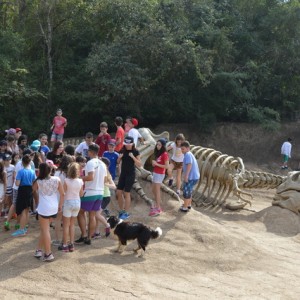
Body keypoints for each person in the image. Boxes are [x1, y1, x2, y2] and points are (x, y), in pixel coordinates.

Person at [75, 144, 107, 245]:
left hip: (90, 191)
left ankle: (84, 235)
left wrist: (79, 178)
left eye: (88, 151)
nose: (87, 152)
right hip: (100, 192)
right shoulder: (103, 163)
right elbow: (105, 179)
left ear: (91, 152)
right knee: (92, 215)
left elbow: (90, 177)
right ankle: (89, 237)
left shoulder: (90, 162)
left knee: (80, 212)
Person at [33, 163, 64, 262]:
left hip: (44, 208)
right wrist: (60, 205)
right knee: (44, 229)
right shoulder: (57, 179)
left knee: (45, 230)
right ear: (50, 170)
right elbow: (62, 194)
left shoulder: (38, 181)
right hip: (54, 207)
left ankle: (48, 253)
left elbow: (33, 190)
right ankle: (38, 250)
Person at [60, 162, 83, 252]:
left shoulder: (66, 180)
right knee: (72, 225)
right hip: (77, 202)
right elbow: (81, 194)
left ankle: (65, 245)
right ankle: (72, 244)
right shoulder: (80, 181)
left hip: (68, 202)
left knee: (66, 225)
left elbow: (63, 193)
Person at [116, 136, 141, 220]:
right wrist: (119, 158)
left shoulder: (135, 151)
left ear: (132, 144)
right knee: (119, 192)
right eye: (126, 144)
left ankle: (126, 212)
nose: (127, 146)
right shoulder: (123, 150)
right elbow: (118, 162)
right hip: (123, 174)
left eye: (128, 144)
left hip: (131, 174)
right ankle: (121, 210)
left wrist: (133, 157)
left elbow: (139, 164)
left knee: (127, 193)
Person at [11, 154, 36, 236]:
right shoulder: (32, 172)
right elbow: (34, 182)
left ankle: (21, 230)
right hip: (29, 191)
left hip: (22, 190)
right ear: (29, 162)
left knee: (22, 211)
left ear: (22, 162)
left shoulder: (21, 172)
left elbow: (17, 183)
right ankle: (24, 227)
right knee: (26, 210)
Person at [93, 157, 114, 239]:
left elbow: (114, 186)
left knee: (96, 214)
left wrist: (105, 184)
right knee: (96, 214)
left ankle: (107, 225)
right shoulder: (98, 172)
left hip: (105, 196)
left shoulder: (107, 173)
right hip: (99, 195)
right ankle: (97, 232)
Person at [149, 139, 169, 217]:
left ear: (163, 146)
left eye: (159, 145)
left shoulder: (165, 154)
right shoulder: (159, 154)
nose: (158, 146)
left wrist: (156, 164)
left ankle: (158, 208)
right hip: (156, 173)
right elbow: (158, 164)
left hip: (160, 174)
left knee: (157, 191)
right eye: (157, 144)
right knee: (153, 190)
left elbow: (167, 166)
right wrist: (154, 164)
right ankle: (157, 204)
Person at [179, 141, 200, 212]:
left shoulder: (187, 154)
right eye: (181, 149)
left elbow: (189, 164)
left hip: (191, 177)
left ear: (188, 148)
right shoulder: (189, 154)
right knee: (189, 190)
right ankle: (188, 204)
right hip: (195, 177)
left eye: (183, 149)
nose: (182, 150)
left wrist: (186, 176)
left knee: (186, 191)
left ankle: (185, 207)